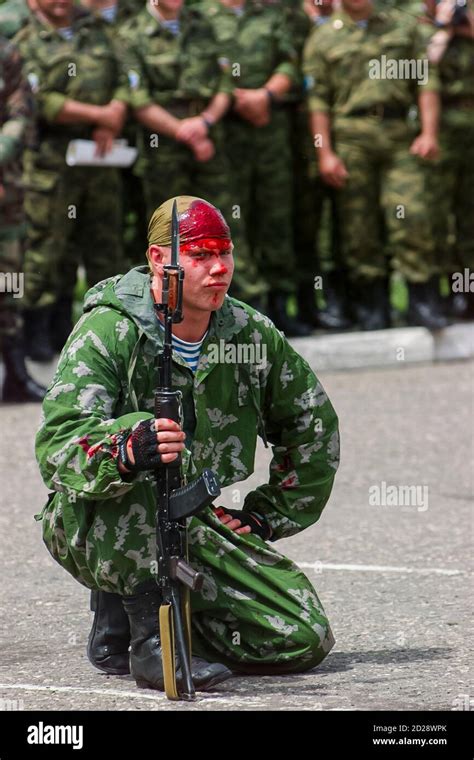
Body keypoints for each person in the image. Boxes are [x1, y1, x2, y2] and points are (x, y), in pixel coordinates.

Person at [35, 195, 340, 691]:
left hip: (189, 518)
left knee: (301, 636)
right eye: (200, 256)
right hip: (93, 517)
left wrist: (263, 515)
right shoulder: (108, 330)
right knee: (146, 435)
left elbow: (312, 426)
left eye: (225, 253)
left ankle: (139, 615)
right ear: (159, 260)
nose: (219, 269)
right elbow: (59, 442)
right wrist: (126, 451)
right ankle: (151, 642)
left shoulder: (247, 333)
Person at [303, 0, 449, 331]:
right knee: (358, 227)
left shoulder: (403, 27)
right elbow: (317, 101)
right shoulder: (323, 37)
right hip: (350, 139)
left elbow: (426, 81)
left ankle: (421, 300)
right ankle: (372, 305)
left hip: (400, 135)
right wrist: (325, 152)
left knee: (412, 215)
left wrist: (429, 132)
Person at [14, 0, 129, 362]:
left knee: (104, 247)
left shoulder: (97, 31)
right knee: (47, 250)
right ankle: (39, 333)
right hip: (50, 163)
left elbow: (128, 77)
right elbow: (36, 99)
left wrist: (114, 114)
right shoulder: (23, 40)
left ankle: (106, 331)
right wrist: (99, 114)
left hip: (100, 157)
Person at [202, 0, 312, 336]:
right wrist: (236, 99)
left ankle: (280, 301)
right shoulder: (202, 17)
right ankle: (246, 306)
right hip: (224, 133)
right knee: (232, 220)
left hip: (270, 129)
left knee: (275, 215)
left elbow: (291, 64)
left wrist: (264, 96)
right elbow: (197, 70)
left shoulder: (270, 14)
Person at [0, 35, 45, 402]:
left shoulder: (5, 50)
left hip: (5, 183)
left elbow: (20, 111)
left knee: (9, 276)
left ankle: (15, 375)